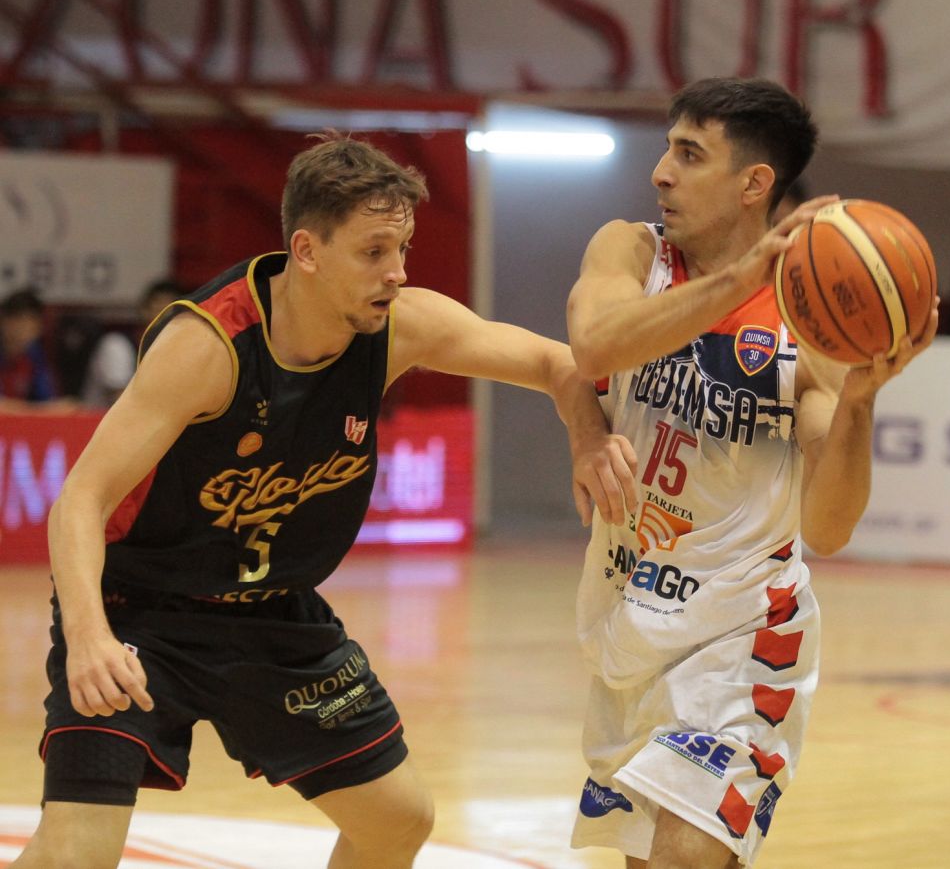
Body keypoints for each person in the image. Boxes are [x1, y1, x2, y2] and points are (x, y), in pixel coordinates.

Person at [12, 132, 637, 869]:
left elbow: (556, 363)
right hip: (138, 611)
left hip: (273, 614)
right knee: (76, 855)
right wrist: (87, 635)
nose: (397, 272)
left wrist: (587, 436)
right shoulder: (208, 346)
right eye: (374, 252)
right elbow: (80, 500)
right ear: (306, 251)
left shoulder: (399, 326)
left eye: (401, 248)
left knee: (398, 821)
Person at [565, 77, 938, 869]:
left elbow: (829, 528)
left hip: (744, 636)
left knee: (684, 856)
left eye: (689, 154)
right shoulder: (630, 251)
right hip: (627, 616)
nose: (661, 172)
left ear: (754, 182)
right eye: (667, 148)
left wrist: (860, 400)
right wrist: (739, 280)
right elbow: (594, 343)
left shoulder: (809, 328)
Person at [80, 278, 184, 408]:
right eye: (158, 309)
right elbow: (122, 400)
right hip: (101, 419)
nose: (164, 319)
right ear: (144, 310)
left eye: (171, 313)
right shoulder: (116, 345)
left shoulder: (176, 354)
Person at [0, 287, 60, 411]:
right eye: (17, 319)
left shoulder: (35, 356)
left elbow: (48, 400)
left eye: (30, 321)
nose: (22, 328)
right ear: (3, 320)